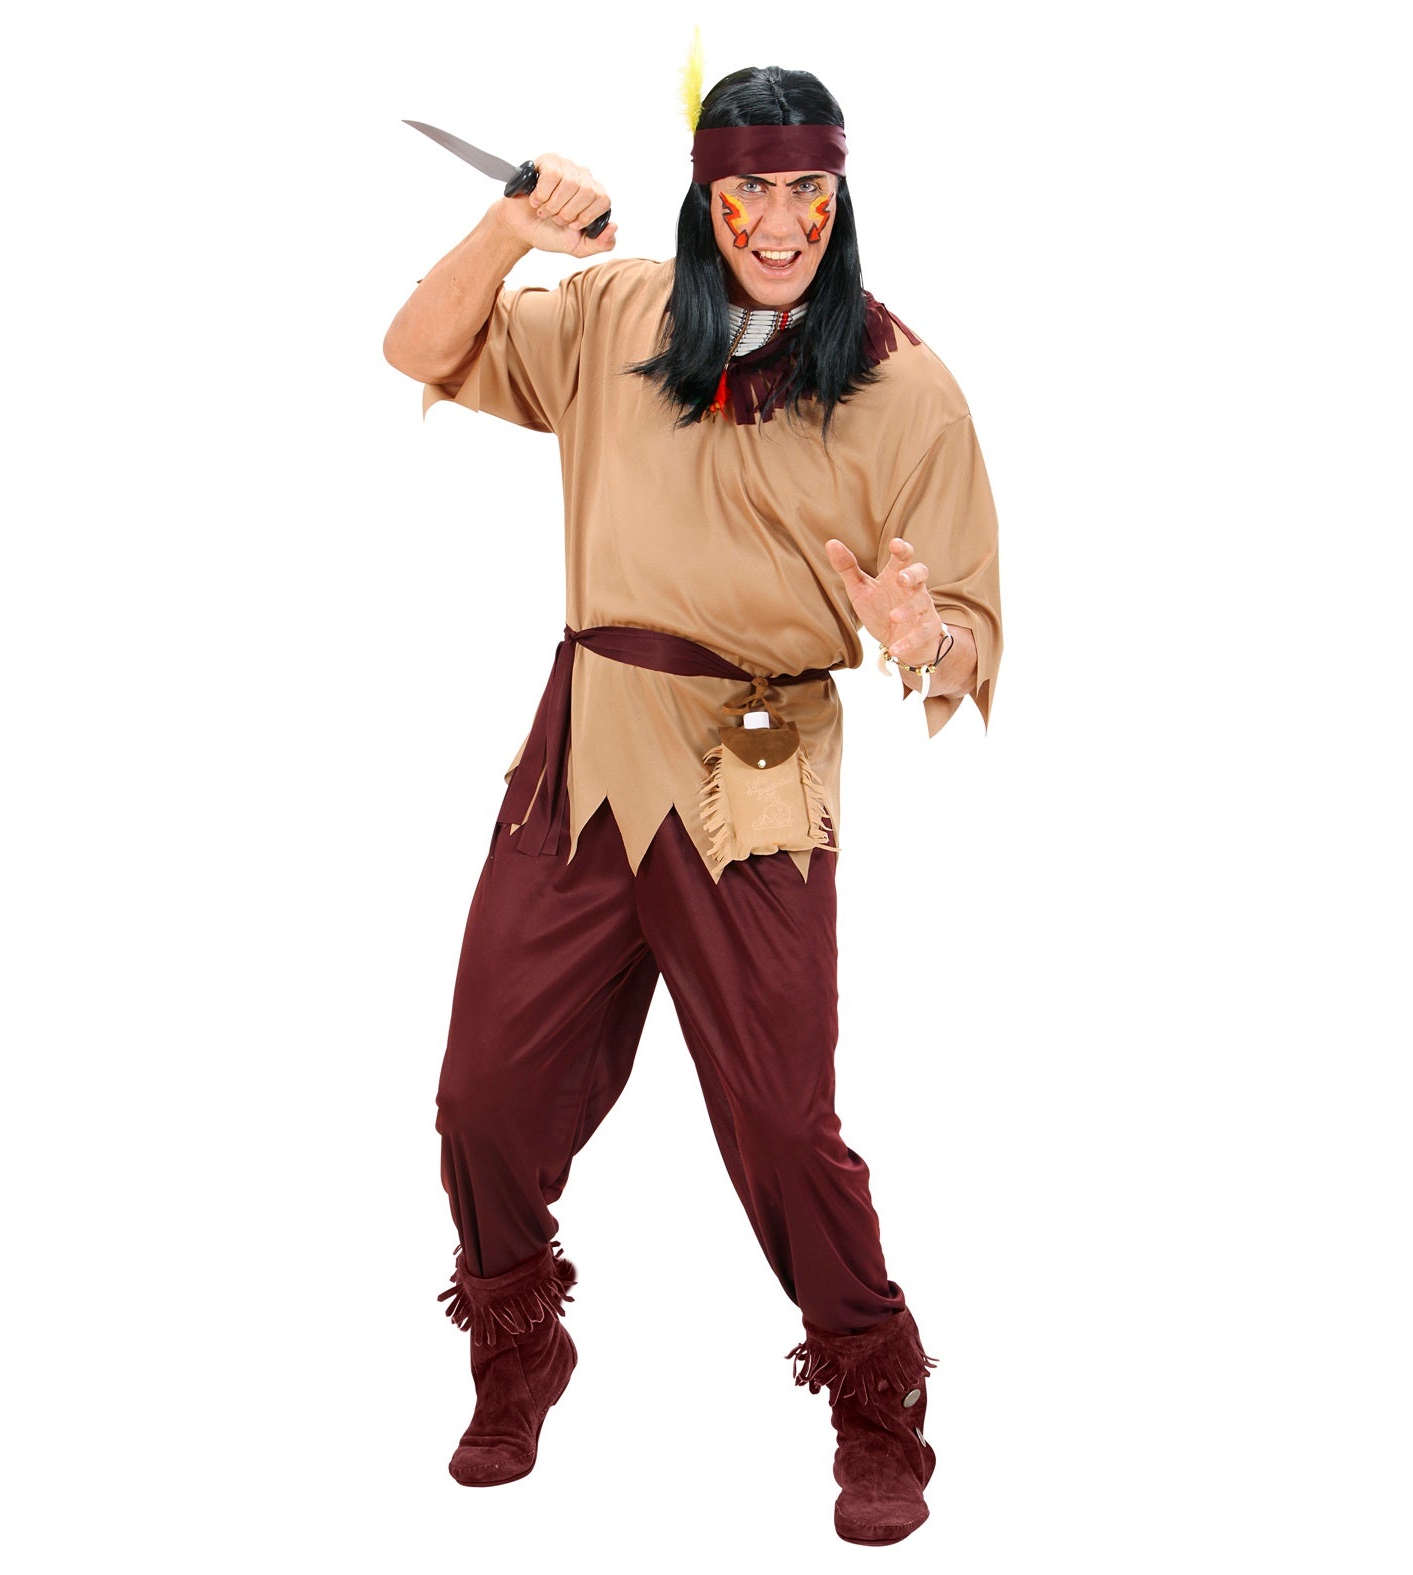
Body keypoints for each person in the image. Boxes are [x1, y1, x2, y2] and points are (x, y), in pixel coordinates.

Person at [383, 63, 1002, 1547]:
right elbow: (418, 344)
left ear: (839, 195)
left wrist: (919, 633)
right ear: (703, 195)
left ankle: (874, 1399)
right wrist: (511, 232)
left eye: (806, 191)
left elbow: (971, 636)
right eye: (747, 192)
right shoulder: (614, 314)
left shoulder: (904, 385)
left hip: (754, 777)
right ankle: (517, 1344)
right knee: (483, 1095)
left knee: (782, 1127)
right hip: (585, 751)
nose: (778, 223)